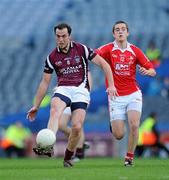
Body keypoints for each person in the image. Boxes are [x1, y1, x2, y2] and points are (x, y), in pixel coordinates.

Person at [27, 23, 117, 167]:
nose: (60, 39)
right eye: (58, 36)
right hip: (63, 88)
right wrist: (36, 106)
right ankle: (47, 146)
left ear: (69, 36)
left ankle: (69, 156)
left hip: (81, 90)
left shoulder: (82, 49)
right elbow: (44, 83)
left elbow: (104, 64)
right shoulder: (52, 57)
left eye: (63, 36)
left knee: (76, 126)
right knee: (55, 111)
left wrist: (111, 85)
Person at [96, 20, 156, 166]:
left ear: (128, 32)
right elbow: (92, 56)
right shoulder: (107, 49)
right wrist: (103, 66)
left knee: (135, 125)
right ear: (113, 33)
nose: (120, 31)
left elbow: (152, 70)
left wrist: (147, 71)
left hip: (133, 94)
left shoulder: (134, 50)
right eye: (117, 29)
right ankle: (114, 125)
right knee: (119, 135)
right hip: (115, 97)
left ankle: (129, 158)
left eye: (123, 29)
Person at [58, 71, 92, 161]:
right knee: (61, 125)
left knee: (77, 124)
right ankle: (80, 141)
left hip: (79, 97)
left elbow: (88, 85)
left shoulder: (85, 69)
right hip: (66, 96)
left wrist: (87, 97)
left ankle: (79, 152)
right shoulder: (66, 65)